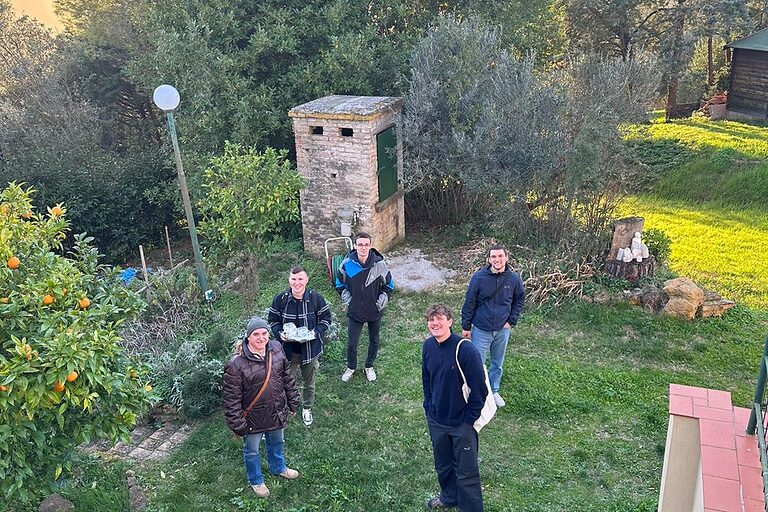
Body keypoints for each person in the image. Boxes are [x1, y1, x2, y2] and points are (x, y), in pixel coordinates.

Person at [223, 317, 301, 498]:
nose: (261, 338)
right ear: (248, 337)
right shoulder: (236, 365)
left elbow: (287, 378)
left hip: (276, 411)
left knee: (277, 442)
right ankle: (256, 480)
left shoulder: (276, 349)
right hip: (253, 418)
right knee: (252, 451)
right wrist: (237, 424)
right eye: (256, 334)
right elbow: (231, 399)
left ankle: (278, 467)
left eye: (264, 333)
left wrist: (293, 400)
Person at [422, 303, 486, 511]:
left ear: (450, 322)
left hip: (461, 424)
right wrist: (429, 407)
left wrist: (469, 420)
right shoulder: (428, 346)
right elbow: (427, 380)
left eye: (440, 318)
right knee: (443, 466)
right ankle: (449, 497)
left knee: (467, 473)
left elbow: (480, 390)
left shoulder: (465, 350)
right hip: (437, 421)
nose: (435, 323)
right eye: (431, 320)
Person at [460, 244, 525, 408]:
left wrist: (511, 321)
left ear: (506, 258)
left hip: (503, 330)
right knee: (477, 363)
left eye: (500, 256)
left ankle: (494, 391)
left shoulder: (514, 279)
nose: (497, 259)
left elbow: (519, 300)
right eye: (494, 257)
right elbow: (469, 303)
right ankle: (478, 393)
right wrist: (466, 327)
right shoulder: (479, 278)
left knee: (497, 363)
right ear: (489, 260)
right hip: (481, 329)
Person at [267, 266, 332, 427]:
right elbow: (273, 320)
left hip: (310, 351)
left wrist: (315, 332)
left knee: (309, 382)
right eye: (294, 279)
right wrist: (279, 333)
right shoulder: (281, 299)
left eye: (300, 279)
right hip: (287, 352)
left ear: (306, 280)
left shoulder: (315, 298)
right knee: (283, 383)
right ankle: (282, 410)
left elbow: (326, 319)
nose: (297, 283)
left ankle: (307, 408)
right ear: (289, 280)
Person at [335, 232, 394, 382]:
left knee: (374, 340)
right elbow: (339, 284)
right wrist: (349, 301)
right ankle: (351, 367)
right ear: (355, 246)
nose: (363, 248)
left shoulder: (379, 264)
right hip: (355, 311)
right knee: (352, 343)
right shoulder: (347, 264)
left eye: (366, 244)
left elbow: (389, 285)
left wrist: (380, 303)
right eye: (360, 244)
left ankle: (369, 366)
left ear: (370, 245)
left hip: (374, 311)